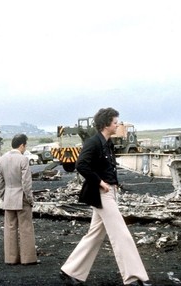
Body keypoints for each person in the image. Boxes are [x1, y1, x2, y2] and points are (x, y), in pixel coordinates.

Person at [60, 108, 152, 286]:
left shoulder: (108, 143)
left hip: (109, 192)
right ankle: (134, 277)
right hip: (101, 194)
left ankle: (70, 271)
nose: (118, 125)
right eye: (115, 122)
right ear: (106, 124)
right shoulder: (93, 142)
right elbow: (81, 165)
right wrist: (101, 183)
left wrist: (113, 185)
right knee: (121, 234)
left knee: (94, 234)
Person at [0, 133, 39, 265]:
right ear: (22, 145)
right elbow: (26, 183)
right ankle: (28, 259)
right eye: (25, 145)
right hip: (22, 198)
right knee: (26, 227)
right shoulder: (23, 159)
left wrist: (4, 196)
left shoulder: (2, 159)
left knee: (10, 228)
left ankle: (10, 258)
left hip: (8, 197)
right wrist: (30, 199)